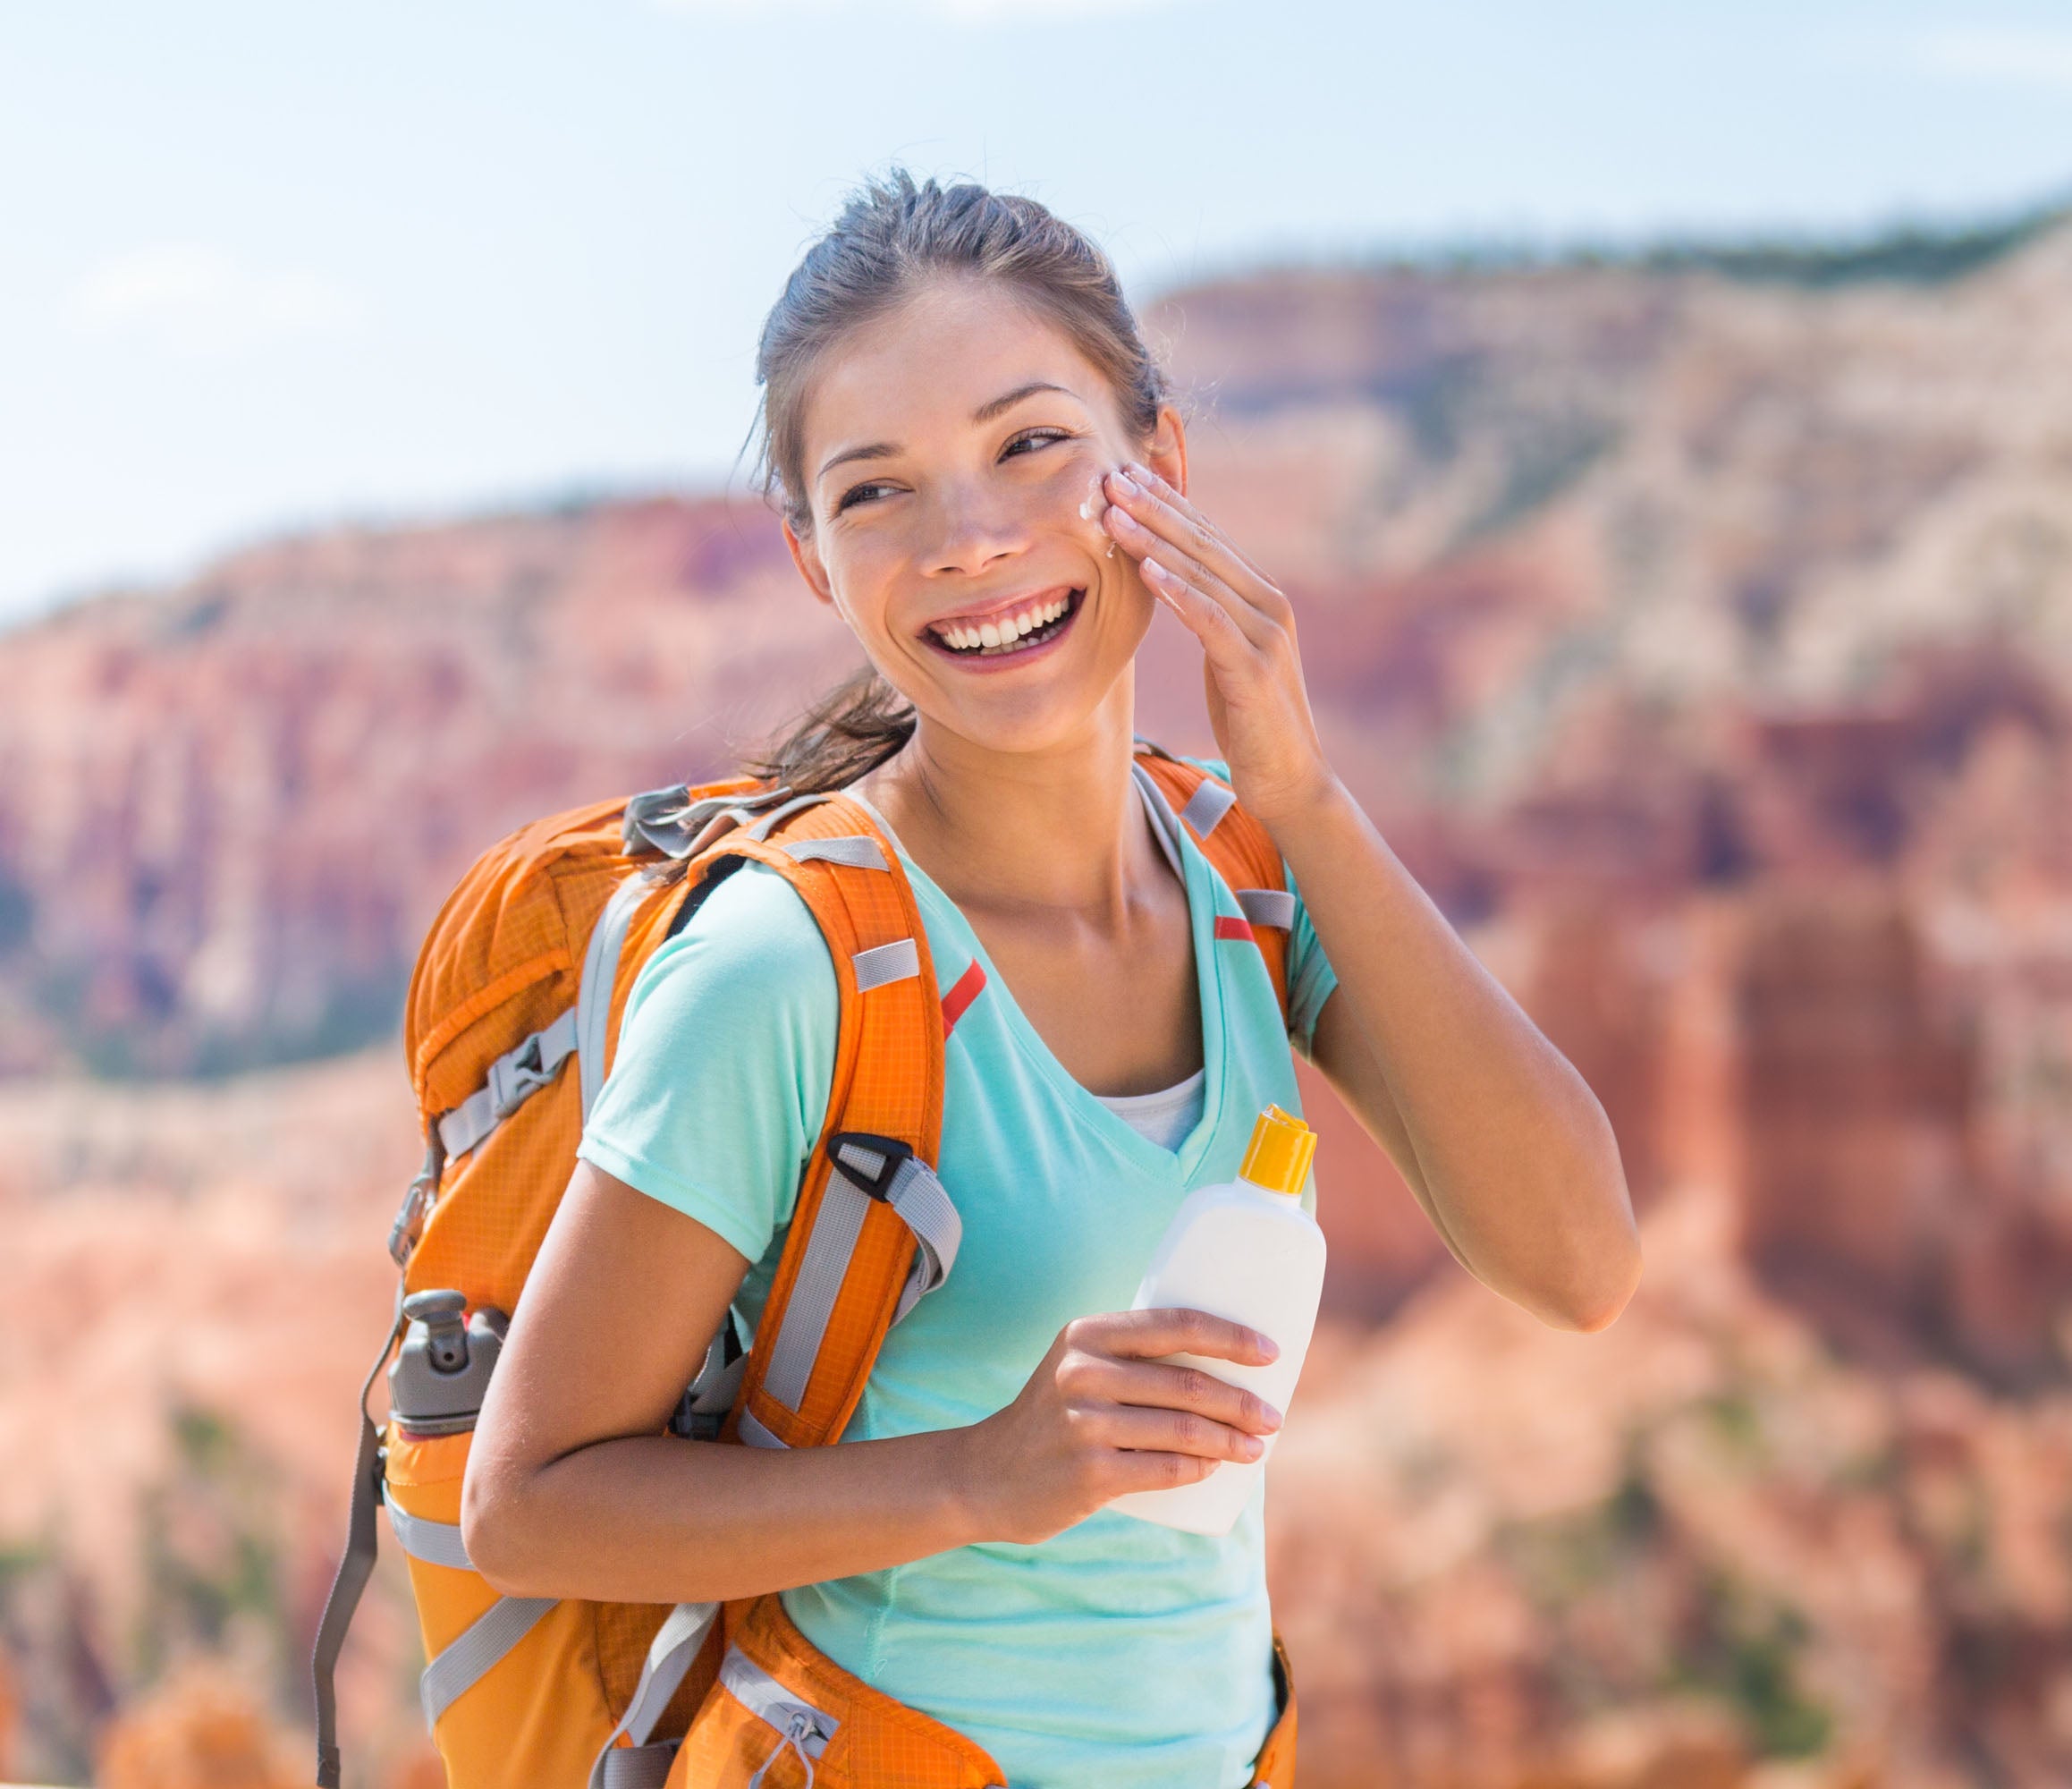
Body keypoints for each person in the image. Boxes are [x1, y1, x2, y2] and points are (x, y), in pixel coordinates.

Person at [461, 169, 1641, 1786]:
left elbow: (1575, 1261)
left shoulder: (1244, 879)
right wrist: (978, 1477)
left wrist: (1301, 792)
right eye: (877, 491)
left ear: (1156, 464)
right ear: (812, 560)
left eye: (1030, 444)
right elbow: (526, 1505)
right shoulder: (785, 965)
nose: (973, 539)